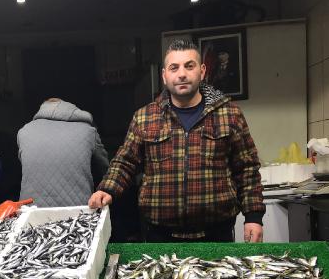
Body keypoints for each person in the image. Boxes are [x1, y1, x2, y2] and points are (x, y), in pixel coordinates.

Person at [89, 39, 265, 243]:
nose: (182, 73)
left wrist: (253, 217)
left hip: (217, 234)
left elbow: (247, 169)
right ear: (164, 75)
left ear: (202, 71)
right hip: (159, 235)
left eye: (189, 66)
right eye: (174, 67)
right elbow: (125, 162)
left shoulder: (229, 114)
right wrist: (106, 189)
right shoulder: (145, 117)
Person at [17, 98, 109, 207]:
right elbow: (105, 170)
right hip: (79, 211)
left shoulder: (24, 132)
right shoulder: (88, 131)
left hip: (30, 211)